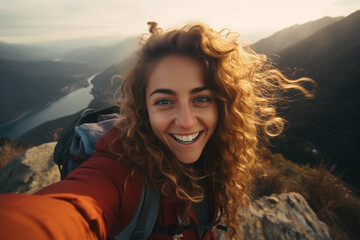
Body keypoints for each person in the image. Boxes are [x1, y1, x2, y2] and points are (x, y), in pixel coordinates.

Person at [0, 22, 313, 239]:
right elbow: (69, 211)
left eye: (201, 98)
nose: (187, 121)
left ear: (222, 104)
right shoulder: (119, 171)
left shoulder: (217, 154)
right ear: (143, 108)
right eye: (165, 101)